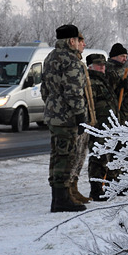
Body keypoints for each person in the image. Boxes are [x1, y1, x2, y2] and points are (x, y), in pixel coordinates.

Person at [41, 24, 87, 212]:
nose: (78, 43)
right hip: (67, 117)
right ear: (71, 41)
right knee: (66, 157)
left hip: (53, 115)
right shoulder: (71, 61)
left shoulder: (50, 57)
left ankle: (59, 197)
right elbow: (74, 92)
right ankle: (61, 200)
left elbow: (44, 88)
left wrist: (52, 106)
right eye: (77, 40)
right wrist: (80, 115)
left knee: (57, 155)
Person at [86, 53, 119, 200]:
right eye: (100, 65)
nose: (103, 67)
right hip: (98, 125)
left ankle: (101, 187)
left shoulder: (102, 80)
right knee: (97, 157)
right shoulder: (91, 82)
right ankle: (96, 190)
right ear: (91, 66)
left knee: (104, 157)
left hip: (107, 124)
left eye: (104, 64)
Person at [69, 32, 96, 204]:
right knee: (73, 156)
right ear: (73, 41)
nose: (84, 44)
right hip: (74, 119)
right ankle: (69, 190)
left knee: (81, 156)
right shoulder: (70, 64)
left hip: (84, 117)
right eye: (81, 41)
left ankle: (75, 187)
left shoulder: (80, 63)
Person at [105, 43, 128, 124]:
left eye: (126, 57)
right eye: (122, 56)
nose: (125, 59)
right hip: (117, 113)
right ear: (114, 56)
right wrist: (119, 87)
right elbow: (108, 92)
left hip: (127, 113)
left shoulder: (123, 69)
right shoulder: (109, 69)